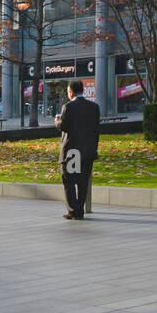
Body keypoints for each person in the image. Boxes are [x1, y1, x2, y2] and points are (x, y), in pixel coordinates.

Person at [56, 78, 100, 221]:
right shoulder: (94, 107)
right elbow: (96, 130)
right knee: (82, 182)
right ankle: (80, 210)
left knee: (69, 181)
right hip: (88, 152)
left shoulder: (68, 107)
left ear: (71, 92)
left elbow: (64, 127)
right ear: (82, 90)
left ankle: (73, 210)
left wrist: (57, 122)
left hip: (72, 152)